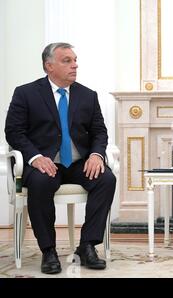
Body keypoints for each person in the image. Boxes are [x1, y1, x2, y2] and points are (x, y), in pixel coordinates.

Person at [5, 43, 116, 274]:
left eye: (75, 60)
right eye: (67, 60)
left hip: (78, 163)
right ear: (49, 66)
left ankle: (87, 246)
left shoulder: (87, 95)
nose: (75, 65)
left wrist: (96, 155)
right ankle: (49, 251)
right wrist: (34, 157)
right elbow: (14, 132)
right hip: (44, 162)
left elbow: (99, 132)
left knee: (106, 179)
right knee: (40, 182)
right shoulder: (25, 93)